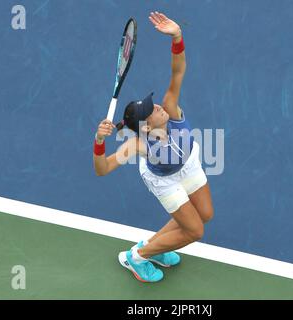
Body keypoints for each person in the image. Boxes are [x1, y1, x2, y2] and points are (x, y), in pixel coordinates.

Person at [93, 11, 214, 283]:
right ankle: (137, 257)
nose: (157, 106)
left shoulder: (170, 108)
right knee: (195, 231)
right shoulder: (138, 144)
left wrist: (177, 37)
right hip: (164, 179)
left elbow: (178, 70)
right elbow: (102, 169)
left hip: (187, 161)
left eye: (152, 103)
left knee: (205, 214)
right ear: (145, 126)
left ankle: (157, 248)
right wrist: (99, 142)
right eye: (151, 110)